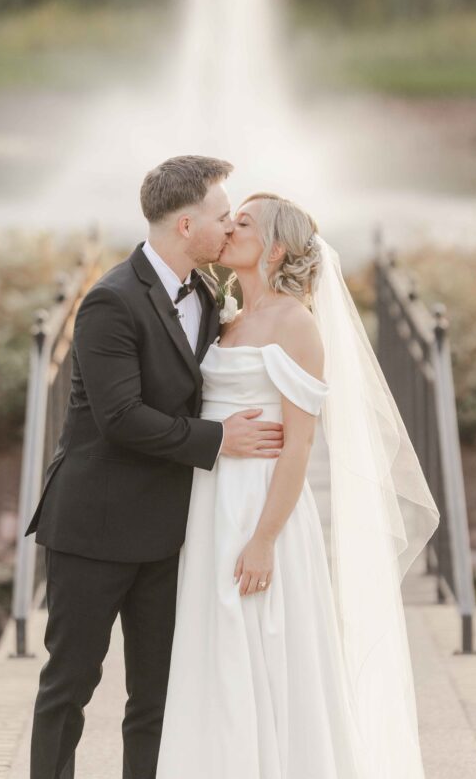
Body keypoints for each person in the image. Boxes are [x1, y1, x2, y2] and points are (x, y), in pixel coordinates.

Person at [154, 192, 441, 778]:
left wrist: (263, 539)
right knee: (217, 655)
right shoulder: (227, 315)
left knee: (262, 651)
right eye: (230, 220)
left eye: (244, 223)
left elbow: (300, 444)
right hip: (212, 504)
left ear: (277, 246)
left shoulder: (295, 323)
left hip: (263, 510)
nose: (229, 228)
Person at [25, 156, 286, 779]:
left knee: (157, 698)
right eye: (223, 218)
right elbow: (122, 417)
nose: (230, 228)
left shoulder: (204, 292)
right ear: (187, 224)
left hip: (172, 534)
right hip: (93, 527)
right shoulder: (110, 301)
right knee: (70, 686)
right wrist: (219, 439)